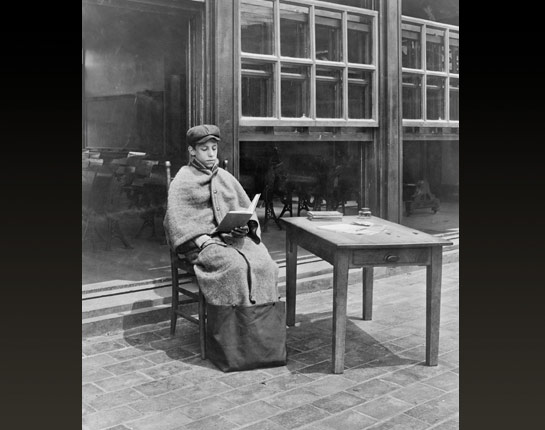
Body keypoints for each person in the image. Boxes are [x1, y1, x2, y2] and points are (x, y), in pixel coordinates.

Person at [163, 124, 279, 306]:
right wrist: (201, 240)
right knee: (235, 267)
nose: (211, 154)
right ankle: (233, 321)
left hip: (233, 240)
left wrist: (244, 228)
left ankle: (259, 321)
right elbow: (176, 222)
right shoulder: (182, 179)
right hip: (201, 246)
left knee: (266, 263)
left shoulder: (226, 177)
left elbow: (246, 210)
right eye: (204, 149)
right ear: (192, 151)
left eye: (214, 148)